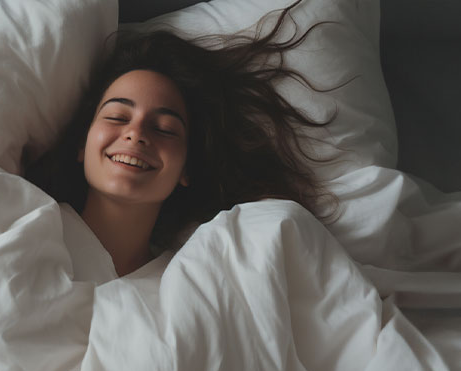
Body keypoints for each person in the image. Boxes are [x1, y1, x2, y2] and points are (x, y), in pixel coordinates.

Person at [22, 0, 345, 277]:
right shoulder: (26, 230)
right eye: (117, 117)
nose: (136, 133)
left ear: (186, 168)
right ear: (83, 144)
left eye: (164, 128)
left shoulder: (195, 279)